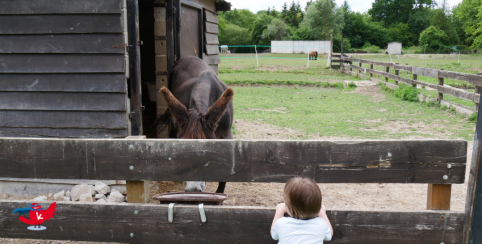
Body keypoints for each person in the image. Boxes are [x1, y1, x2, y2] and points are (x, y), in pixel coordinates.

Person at [271, 177, 333, 243]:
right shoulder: (321, 224)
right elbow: (329, 236)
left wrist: (279, 211)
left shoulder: (281, 223)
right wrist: (322, 213)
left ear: (288, 207)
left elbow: (274, 235)